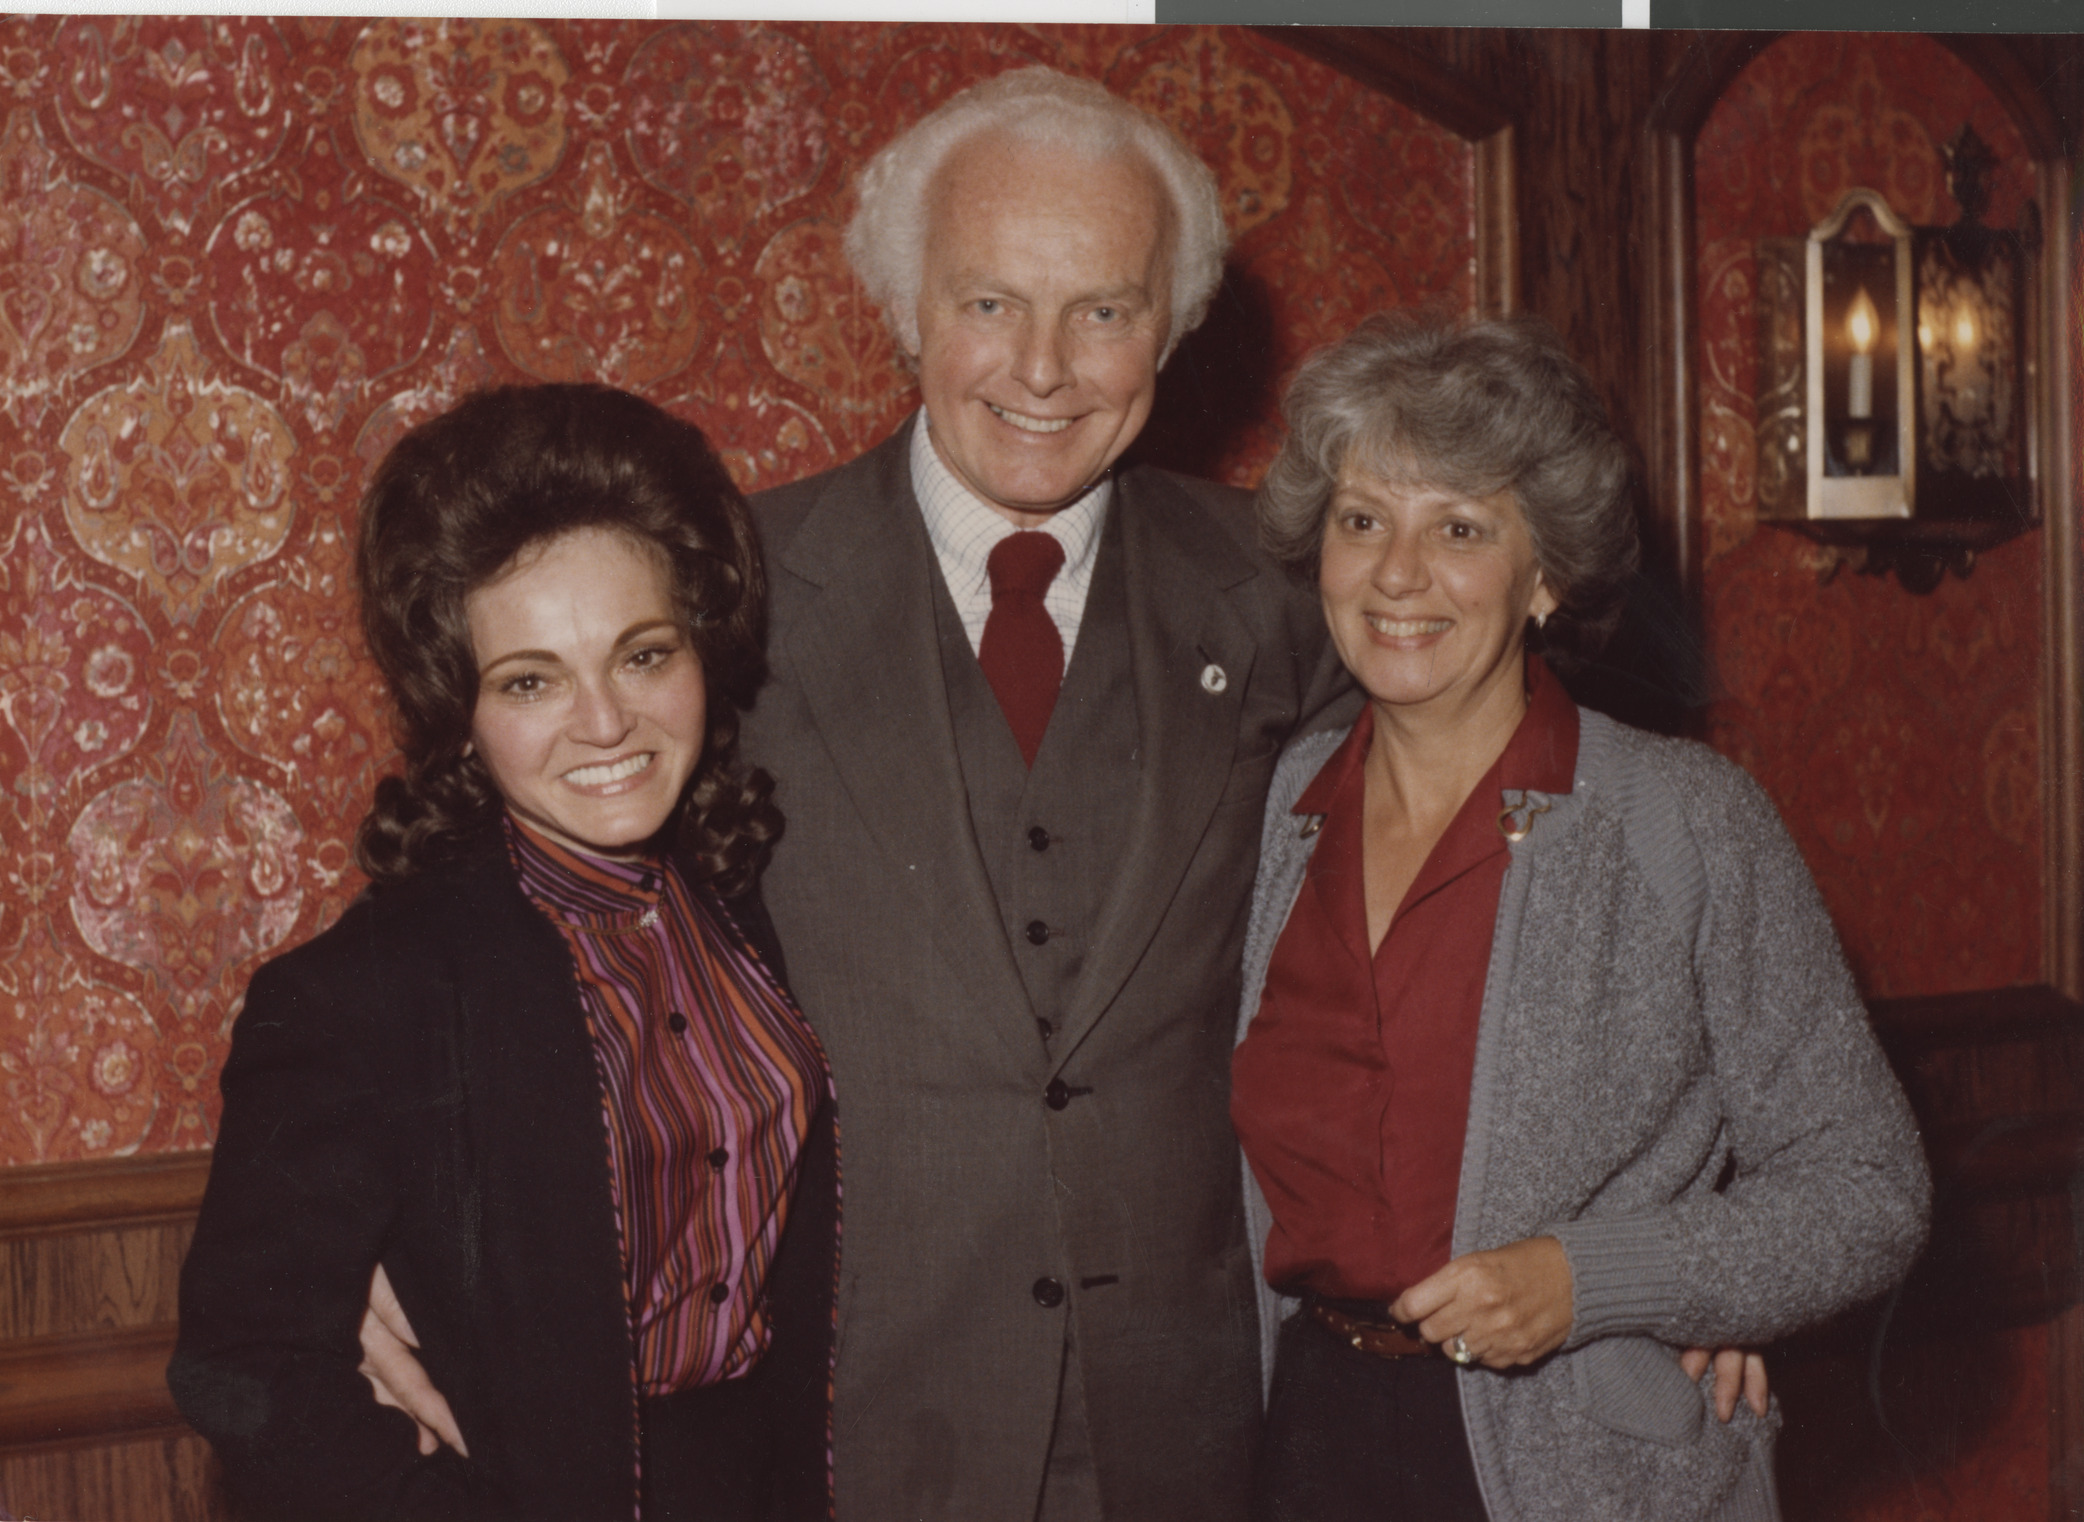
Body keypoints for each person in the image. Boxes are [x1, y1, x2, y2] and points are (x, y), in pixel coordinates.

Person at [736, 66, 1337, 1521]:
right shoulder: (729, 588)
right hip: (848, 1414)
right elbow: (503, 897)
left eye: (1104, 310)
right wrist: (385, 1242)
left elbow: (1504, 871)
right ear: (907, 307)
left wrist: (1645, 1246)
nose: (1044, 368)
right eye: (990, 302)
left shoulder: (1283, 591)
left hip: (1189, 1420)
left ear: (1173, 326)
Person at [1229, 314, 1931, 1519]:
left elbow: (1866, 1187)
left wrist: (1605, 1280)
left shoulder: (1682, 820)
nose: (1397, 574)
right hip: (1313, 1442)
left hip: (1591, 1467)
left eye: (1458, 528)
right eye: (1362, 521)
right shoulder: (1283, 802)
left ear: (1544, 571)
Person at [168, 385, 838, 1522]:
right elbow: (244, 1366)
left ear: (702, 654)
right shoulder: (364, 992)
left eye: (641, 654)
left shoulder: (764, 906)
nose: (603, 722)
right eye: (530, 679)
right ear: (461, 709)